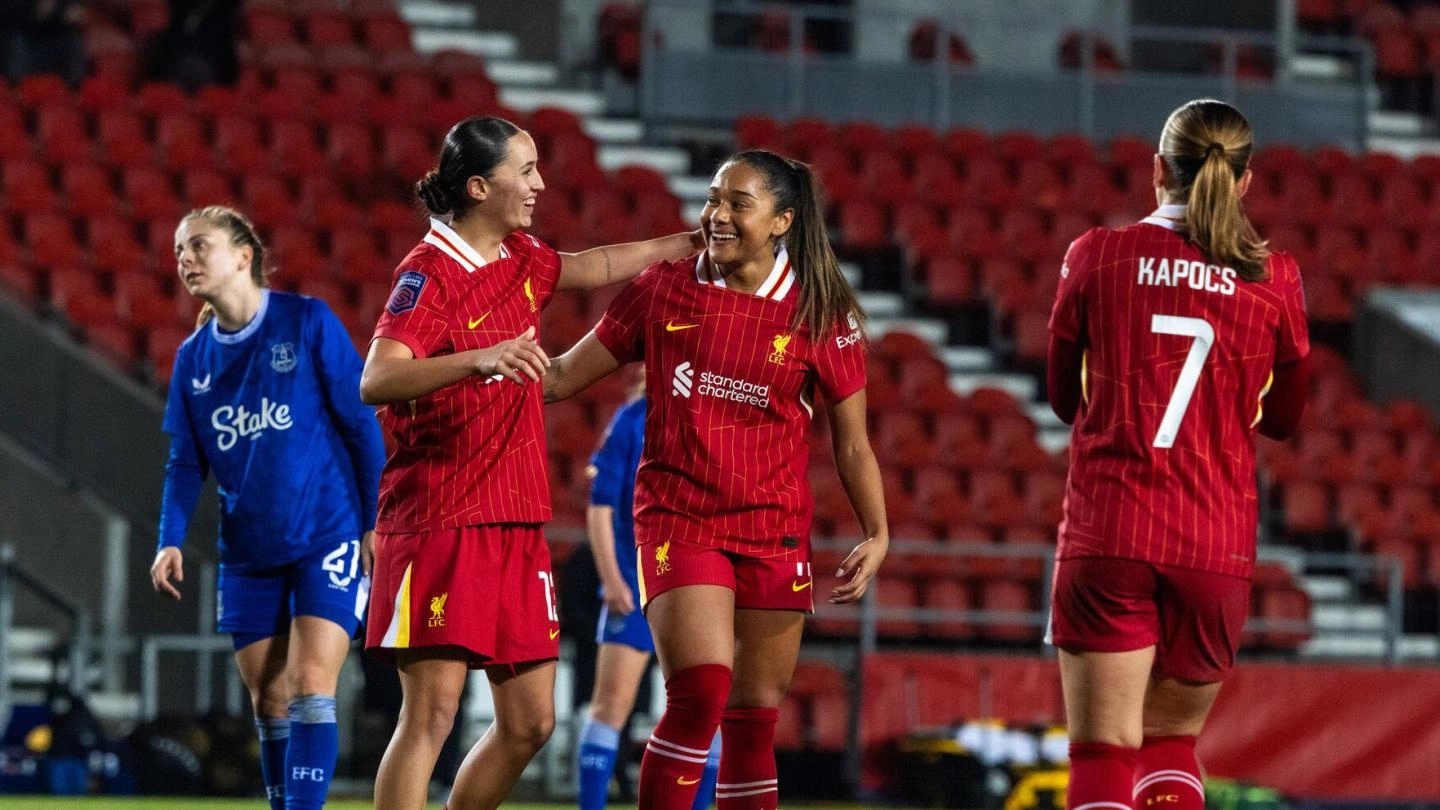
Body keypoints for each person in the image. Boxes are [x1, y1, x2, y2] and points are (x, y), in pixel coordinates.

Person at [358, 115, 703, 810]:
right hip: (439, 520)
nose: (540, 184)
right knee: (430, 716)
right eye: (526, 170)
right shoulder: (427, 275)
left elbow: (586, 268)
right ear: (481, 186)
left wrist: (683, 245)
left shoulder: (521, 256)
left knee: (532, 722)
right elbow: (377, 379)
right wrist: (478, 359)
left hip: (516, 522)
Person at [544, 148, 889, 810]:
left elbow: (852, 443)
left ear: (783, 220)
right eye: (712, 199)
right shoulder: (662, 288)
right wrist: (471, 369)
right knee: (700, 691)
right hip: (681, 518)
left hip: (773, 528)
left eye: (738, 203)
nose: (716, 215)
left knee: (754, 717)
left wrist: (878, 530)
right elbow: (561, 377)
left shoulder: (821, 311)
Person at [1045, 99, 1310, 810]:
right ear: (1244, 182)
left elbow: (1063, 400)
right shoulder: (1275, 278)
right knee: (1169, 744)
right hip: (1213, 538)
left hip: (1112, 528)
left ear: (1157, 168)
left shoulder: (1097, 254)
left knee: (1103, 751)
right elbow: (1285, 419)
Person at [150, 205, 386, 810]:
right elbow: (185, 463)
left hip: (325, 534)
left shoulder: (307, 321)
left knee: (311, 685)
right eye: (179, 251)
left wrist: (372, 521)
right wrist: (169, 538)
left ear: (243, 256)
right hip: (248, 552)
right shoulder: (192, 358)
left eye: (198, 245)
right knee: (269, 700)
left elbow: (361, 426)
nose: (185, 259)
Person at [576, 371, 719, 810]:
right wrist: (613, 579)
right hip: (633, 583)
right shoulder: (630, 421)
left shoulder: (711, 417)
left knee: (708, 710)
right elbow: (600, 506)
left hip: (695, 581)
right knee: (611, 705)